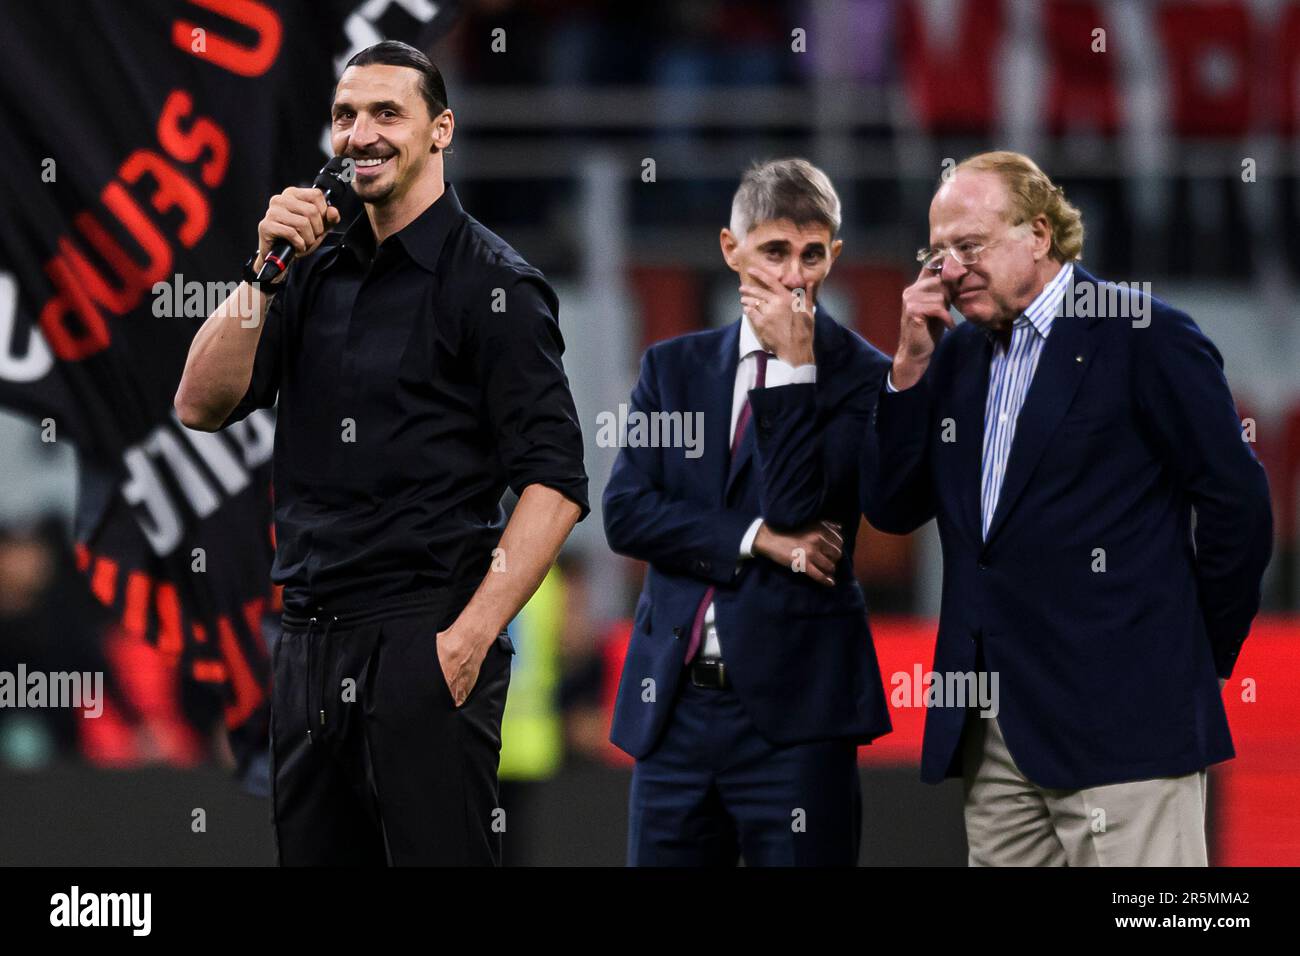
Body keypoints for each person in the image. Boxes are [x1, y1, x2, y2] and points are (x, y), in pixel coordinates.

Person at [174, 41, 588, 865]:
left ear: (441, 131)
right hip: (305, 639)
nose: (361, 133)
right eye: (345, 115)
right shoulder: (305, 268)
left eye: (386, 113)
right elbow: (198, 402)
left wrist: (468, 640)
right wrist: (260, 272)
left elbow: (555, 482)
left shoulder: (494, 285)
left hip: (422, 636)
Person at [865, 150, 1273, 866]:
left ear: (1040, 234)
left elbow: (1237, 504)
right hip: (995, 736)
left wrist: (1190, 654)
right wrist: (907, 368)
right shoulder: (955, 357)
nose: (950, 270)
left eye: (970, 246)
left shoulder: (1142, 334)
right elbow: (893, 509)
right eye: (938, 253)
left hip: (1127, 722)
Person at [604, 159, 892, 866]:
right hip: (671, 714)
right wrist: (756, 538)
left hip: (795, 724)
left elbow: (802, 506)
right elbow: (624, 514)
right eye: (774, 251)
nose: (795, 275)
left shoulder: (861, 376)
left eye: (811, 254)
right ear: (731, 250)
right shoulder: (672, 369)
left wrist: (794, 369)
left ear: (834, 257)